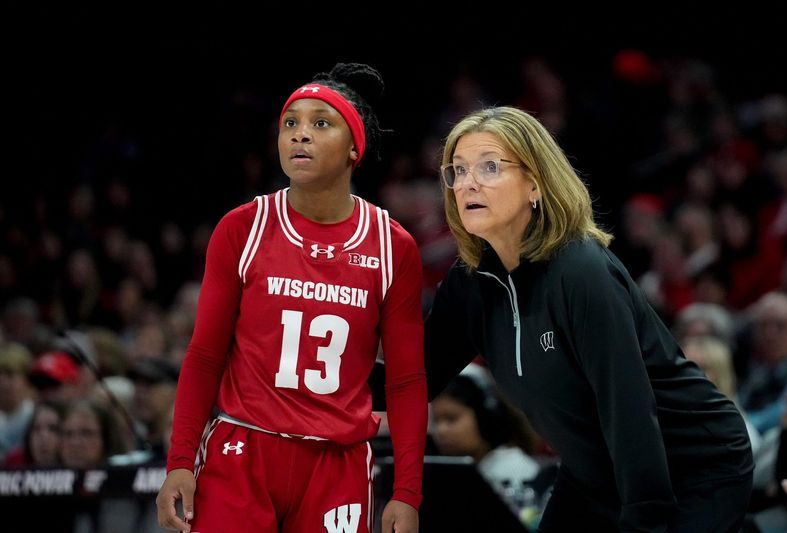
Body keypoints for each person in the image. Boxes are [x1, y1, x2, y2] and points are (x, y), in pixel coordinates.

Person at [424, 105, 754, 532]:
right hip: (593, 469)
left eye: (489, 167)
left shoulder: (580, 270)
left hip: (691, 467)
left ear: (535, 185)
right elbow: (412, 379)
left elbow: (629, 408)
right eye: (458, 170)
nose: (468, 182)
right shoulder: (470, 283)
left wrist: (645, 521)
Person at [156, 63, 428, 533]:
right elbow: (204, 355)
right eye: (291, 123)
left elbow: (405, 381)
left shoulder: (392, 245)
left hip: (337, 463)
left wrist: (407, 492)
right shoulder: (242, 227)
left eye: (320, 123)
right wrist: (180, 460)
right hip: (243, 449)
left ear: (353, 149)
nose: (300, 134)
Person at [430, 363, 552, 530]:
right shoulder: (461, 472)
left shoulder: (513, 469)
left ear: (485, 417)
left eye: (451, 419)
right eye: (436, 421)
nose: (441, 431)